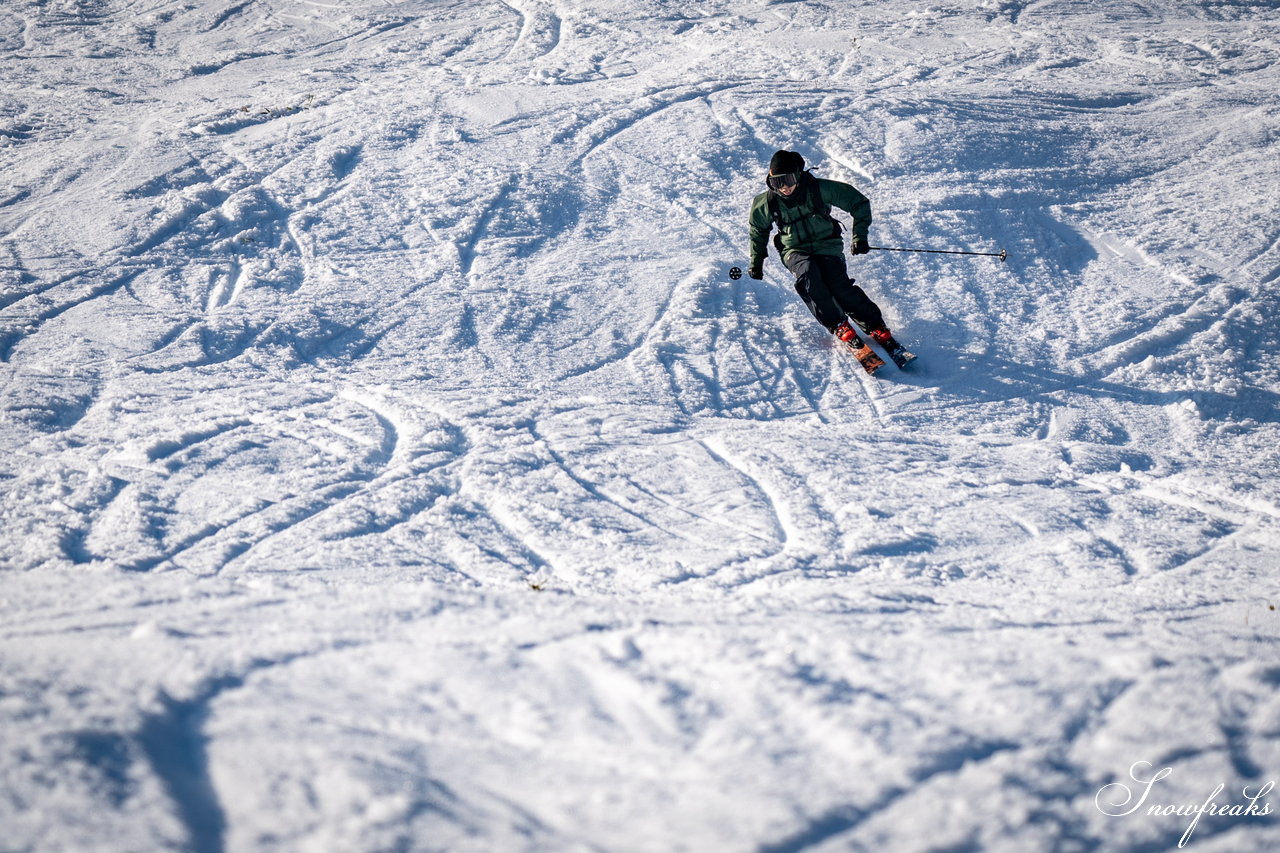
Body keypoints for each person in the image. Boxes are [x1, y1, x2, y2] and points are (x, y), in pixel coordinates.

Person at [747, 150, 908, 362]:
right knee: (809, 278)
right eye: (777, 182)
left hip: (827, 245)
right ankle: (839, 325)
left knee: (838, 285)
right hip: (794, 250)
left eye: (788, 179)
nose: (784, 187)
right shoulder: (766, 202)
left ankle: (875, 327)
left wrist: (859, 236)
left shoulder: (819, 189)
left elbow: (858, 203)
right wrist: (756, 262)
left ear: (799, 174)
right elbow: (757, 231)